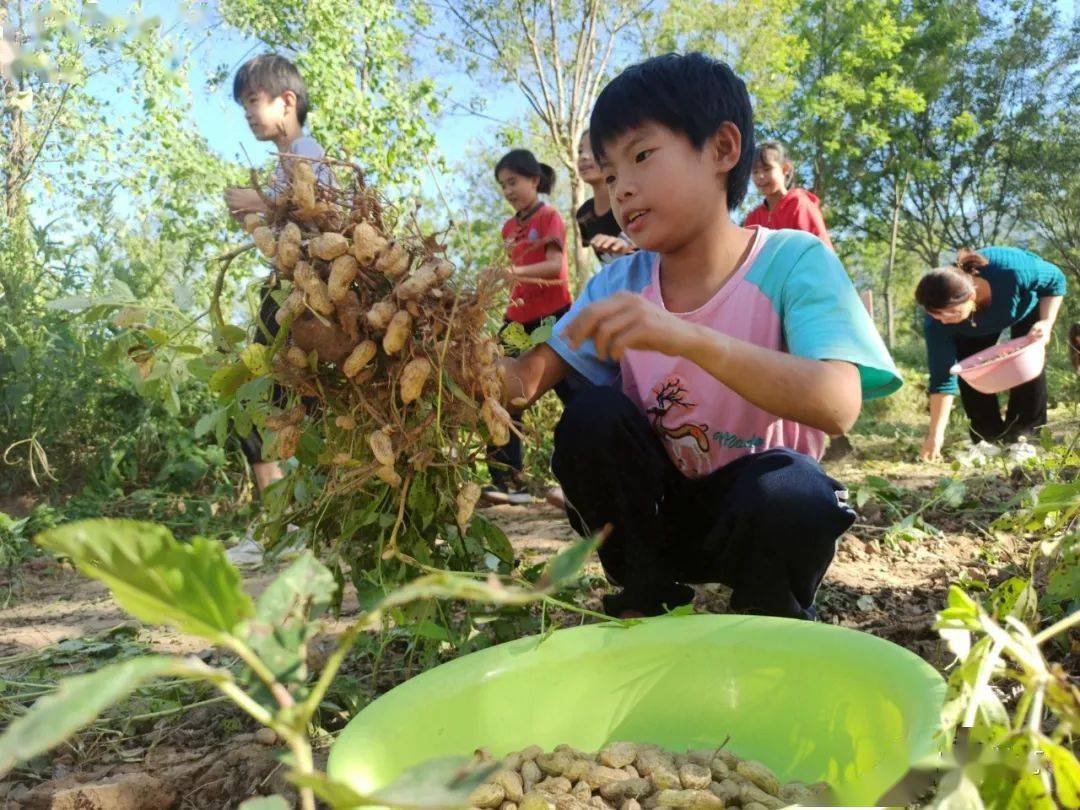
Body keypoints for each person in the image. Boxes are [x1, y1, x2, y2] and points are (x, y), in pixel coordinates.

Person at [501, 53, 900, 620]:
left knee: (797, 491)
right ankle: (646, 595)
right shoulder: (619, 285)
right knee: (589, 420)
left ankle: (772, 618)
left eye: (641, 156)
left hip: (756, 513)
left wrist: (685, 337)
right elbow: (521, 383)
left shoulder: (793, 262)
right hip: (658, 517)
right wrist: (419, 341)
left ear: (721, 149)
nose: (622, 190)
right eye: (611, 174)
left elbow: (837, 405)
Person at [223, 53, 332, 498]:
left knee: (254, 400)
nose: (248, 113)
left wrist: (261, 203)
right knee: (278, 402)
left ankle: (279, 517)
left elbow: (321, 215)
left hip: (303, 292)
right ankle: (285, 515)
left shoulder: (306, 154)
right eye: (243, 105)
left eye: (253, 100)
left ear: (287, 101)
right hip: (287, 290)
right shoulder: (283, 160)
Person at [485, 149, 576, 504]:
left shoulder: (550, 217)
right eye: (503, 185)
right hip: (517, 318)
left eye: (514, 182)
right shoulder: (509, 227)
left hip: (555, 314)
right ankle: (509, 481)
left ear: (534, 180)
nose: (508, 191)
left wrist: (511, 273)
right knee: (497, 389)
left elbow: (554, 266)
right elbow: (512, 276)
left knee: (574, 394)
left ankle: (581, 479)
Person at [915, 247, 1066, 461]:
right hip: (973, 326)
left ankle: (1024, 437)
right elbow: (943, 379)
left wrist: (1047, 322)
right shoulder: (939, 324)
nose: (944, 321)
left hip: (1022, 309)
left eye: (951, 313)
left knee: (1027, 365)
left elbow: (1056, 280)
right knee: (969, 370)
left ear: (971, 295)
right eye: (936, 316)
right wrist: (934, 437)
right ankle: (987, 438)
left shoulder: (1013, 270)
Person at [743, 140, 833, 250]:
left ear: (785, 169)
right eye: (755, 172)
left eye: (767, 169)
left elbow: (821, 251)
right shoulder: (753, 219)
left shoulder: (800, 205)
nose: (760, 176)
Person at [575, 129, 635, 265]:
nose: (583, 156)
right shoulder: (583, 215)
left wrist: (628, 247)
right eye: (580, 151)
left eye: (594, 148)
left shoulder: (631, 198)